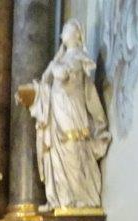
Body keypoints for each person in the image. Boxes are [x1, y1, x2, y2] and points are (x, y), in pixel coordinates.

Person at [24, 19, 110, 210]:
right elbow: (45, 80)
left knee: (72, 151)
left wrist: (54, 65)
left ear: (78, 35)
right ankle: (60, 198)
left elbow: (62, 76)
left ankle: (78, 197)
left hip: (71, 114)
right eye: (63, 30)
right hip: (56, 116)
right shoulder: (61, 59)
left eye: (68, 29)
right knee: (55, 155)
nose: (63, 32)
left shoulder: (79, 58)